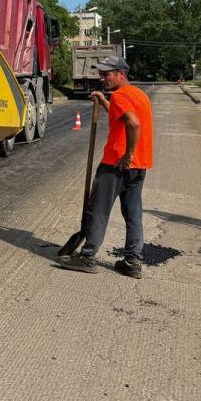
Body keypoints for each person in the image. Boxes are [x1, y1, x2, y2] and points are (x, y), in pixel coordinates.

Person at [56, 55, 153, 278]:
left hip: (116, 165)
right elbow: (123, 117)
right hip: (138, 167)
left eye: (107, 74)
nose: (103, 78)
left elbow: (133, 123)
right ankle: (132, 262)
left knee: (97, 211)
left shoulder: (120, 96)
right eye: (101, 74)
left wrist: (127, 153)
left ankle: (87, 257)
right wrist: (104, 100)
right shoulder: (139, 95)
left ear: (121, 74)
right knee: (133, 213)